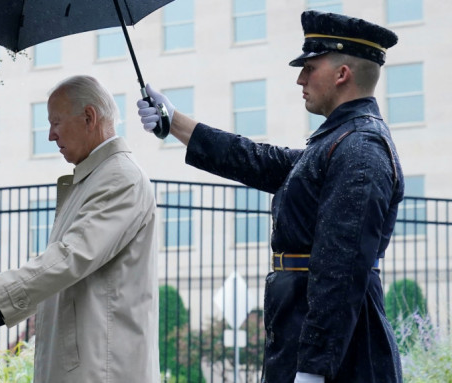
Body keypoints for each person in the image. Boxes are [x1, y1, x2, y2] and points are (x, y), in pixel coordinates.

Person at [137, 10, 403, 383]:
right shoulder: (338, 142)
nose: (300, 78)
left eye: (310, 67)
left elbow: (340, 271)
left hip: (340, 359)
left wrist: (313, 370)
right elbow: (258, 160)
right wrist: (174, 120)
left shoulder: (360, 148)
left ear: (342, 74)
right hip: (304, 338)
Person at [0, 75, 159, 382]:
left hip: (103, 369)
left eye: (56, 122)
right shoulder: (96, 178)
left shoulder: (120, 177)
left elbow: (68, 259)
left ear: (89, 117)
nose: (50, 135)